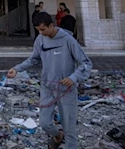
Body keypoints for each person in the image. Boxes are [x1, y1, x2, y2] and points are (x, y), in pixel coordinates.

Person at [7, 12, 92, 149]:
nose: (41, 33)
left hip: (67, 90)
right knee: (44, 123)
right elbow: (33, 59)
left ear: (51, 25)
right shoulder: (40, 40)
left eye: (43, 29)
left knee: (70, 129)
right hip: (47, 87)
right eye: (38, 30)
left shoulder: (68, 40)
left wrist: (73, 77)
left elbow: (86, 63)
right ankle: (58, 135)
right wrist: (17, 69)